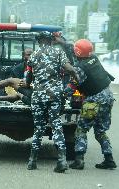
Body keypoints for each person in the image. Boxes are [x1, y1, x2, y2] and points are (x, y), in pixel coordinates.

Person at [25, 32, 73, 173]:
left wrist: (28, 84)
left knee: (38, 127)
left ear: (39, 41)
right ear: (51, 40)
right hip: (54, 96)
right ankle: (62, 160)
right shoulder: (58, 52)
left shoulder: (33, 55)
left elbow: (29, 77)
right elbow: (68, 68)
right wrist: (76, 75)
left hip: (38, 96)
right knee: (56, 125)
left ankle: (32, 161)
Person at [66, 39, 117, 170]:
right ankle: (109, 159)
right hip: (108, 98)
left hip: (94, 101)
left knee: (81, 130)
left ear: (77, 52)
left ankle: (79, 160)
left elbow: (71, 88)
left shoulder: (80, 68)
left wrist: (60, 93)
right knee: (100, 131)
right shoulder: (94, 58)